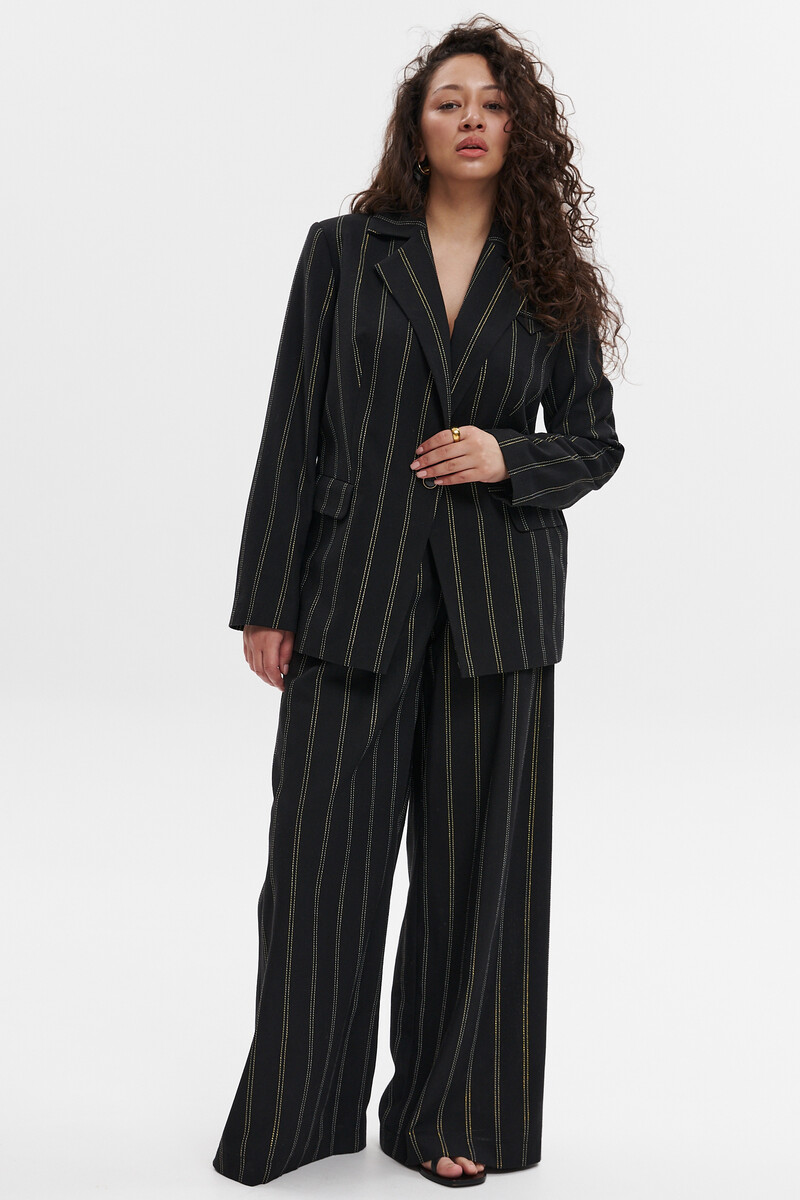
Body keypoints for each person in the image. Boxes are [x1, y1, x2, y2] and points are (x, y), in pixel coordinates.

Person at [212, 14, 625, 1190]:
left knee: (475, 883)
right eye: (449, 102)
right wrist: (265, 600)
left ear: (519, 127)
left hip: (497, 611)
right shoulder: (343, 253)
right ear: (417, 124)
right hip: (351, 594)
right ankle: (297, 1117)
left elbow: (593, 442)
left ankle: (450, 1114)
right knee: (318, 868)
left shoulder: (551, 276)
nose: (470, 120)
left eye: (491, 103)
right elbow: (293, 427)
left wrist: (508, 456)